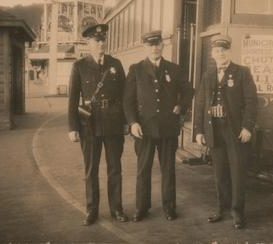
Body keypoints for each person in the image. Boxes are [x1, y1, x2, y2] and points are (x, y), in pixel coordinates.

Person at [123, 30, 193, 222]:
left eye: (157, 44)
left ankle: (169, 207)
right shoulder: (135, 69)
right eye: (150, 44)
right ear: (144, 47)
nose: (154, 48)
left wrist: (182, 106)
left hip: (167, 128)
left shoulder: (174, 69)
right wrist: (132, 122)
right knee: (143, 170)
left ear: (163, 45)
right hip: (143, 129)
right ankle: (142, 207)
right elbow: (127, 100)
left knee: (168, 169)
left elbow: (189, 91)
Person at [67, 23, 130, 226]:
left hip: (113, 124)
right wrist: (73, 127)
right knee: (91, 169)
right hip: (89, 126)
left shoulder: (116, 64)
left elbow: (125, 95)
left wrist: (127, 122)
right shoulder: (79, 66)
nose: (100, 43)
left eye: (103, 39)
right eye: (96, 40)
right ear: (89, 42)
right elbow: (72, 99)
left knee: (115, 168)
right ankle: (91, 210)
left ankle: (116, 209)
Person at [193, 34, 257, 230]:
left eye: (223, 50)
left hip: (235, 130)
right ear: (212, 53)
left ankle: (237, 212)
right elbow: (201, 103)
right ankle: (222, 208)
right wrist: (199, 130)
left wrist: (247, 127)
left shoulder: (242, 72)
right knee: (219, 172)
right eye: (217, 51)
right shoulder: (208, 75)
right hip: (214, 130)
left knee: (237, 171)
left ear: (229, 52)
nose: (220, 54)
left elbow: (251, 102)